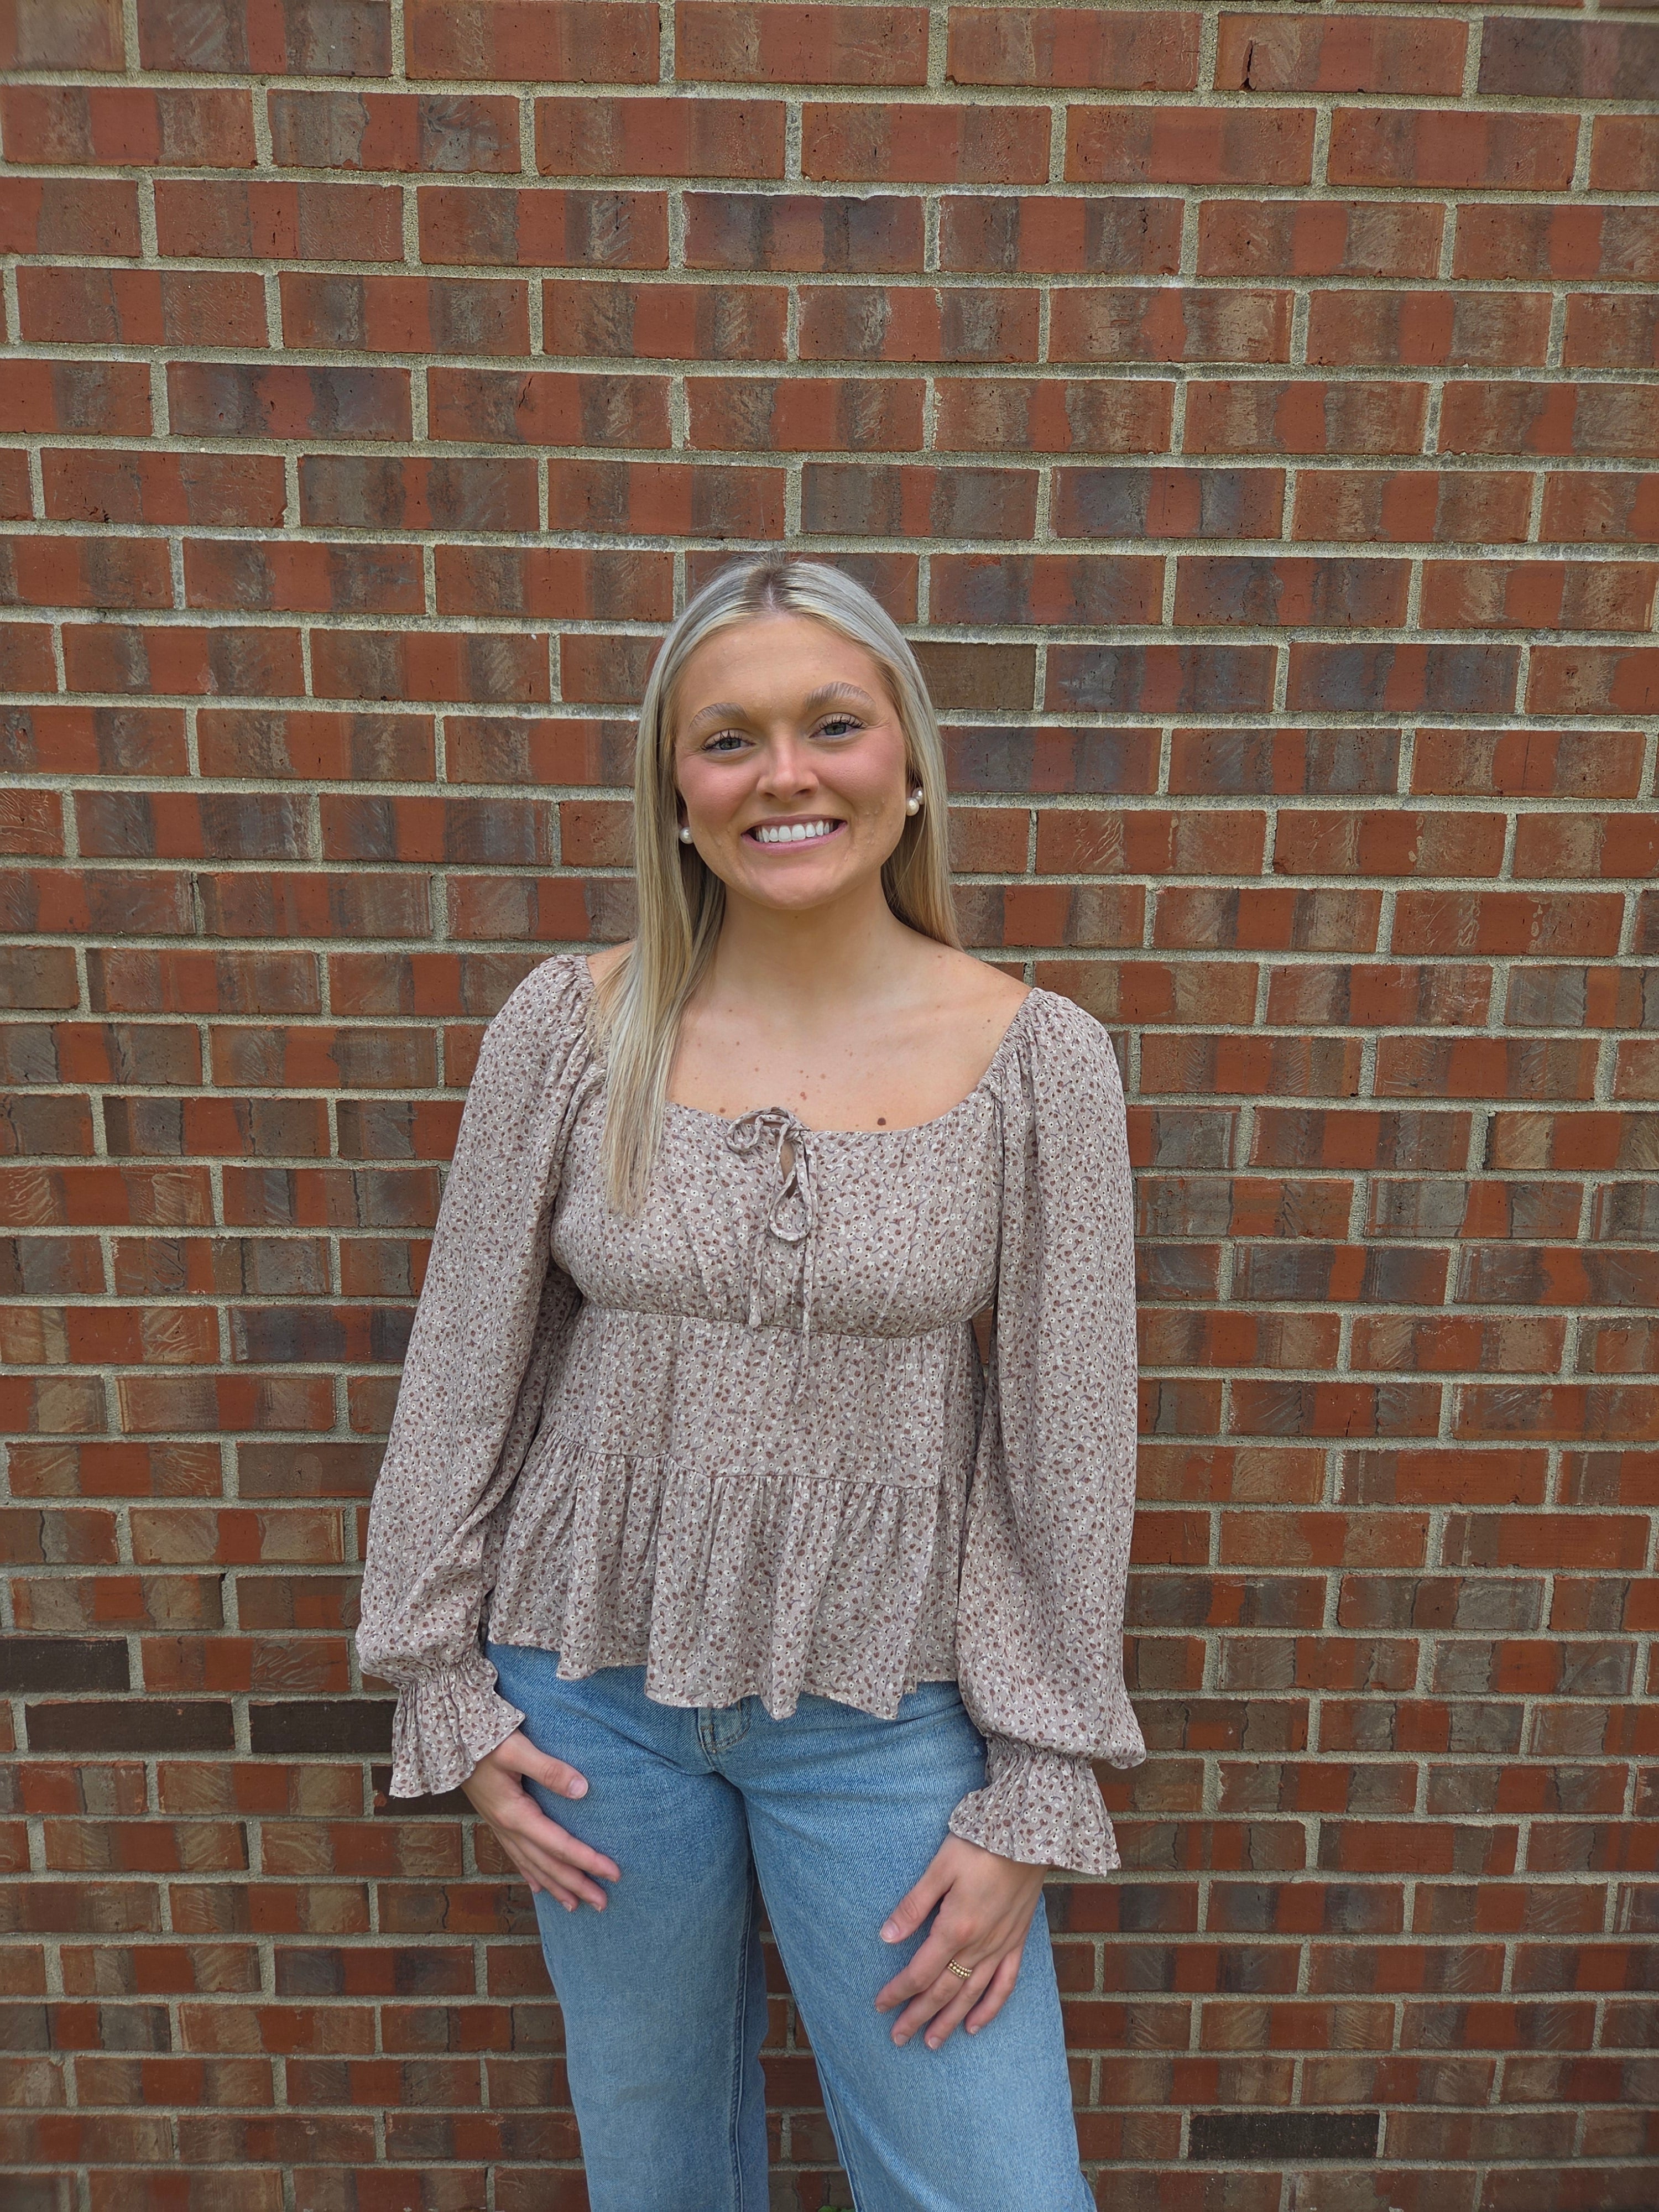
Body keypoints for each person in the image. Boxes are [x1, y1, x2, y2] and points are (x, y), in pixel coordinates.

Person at [355, 556, 1145, 2211]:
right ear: (679, 791)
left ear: (909, 766)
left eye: (832, 725)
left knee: (992, 2184)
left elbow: (1069, 1441)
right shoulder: (575, 1029)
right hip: (583, 1704)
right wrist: (444, 1684)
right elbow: (461, 1367)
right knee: (660, 2176)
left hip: (892, 1715)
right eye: (731, 739)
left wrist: (1040, 1780)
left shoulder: (1035, 1062)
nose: (786, 773)